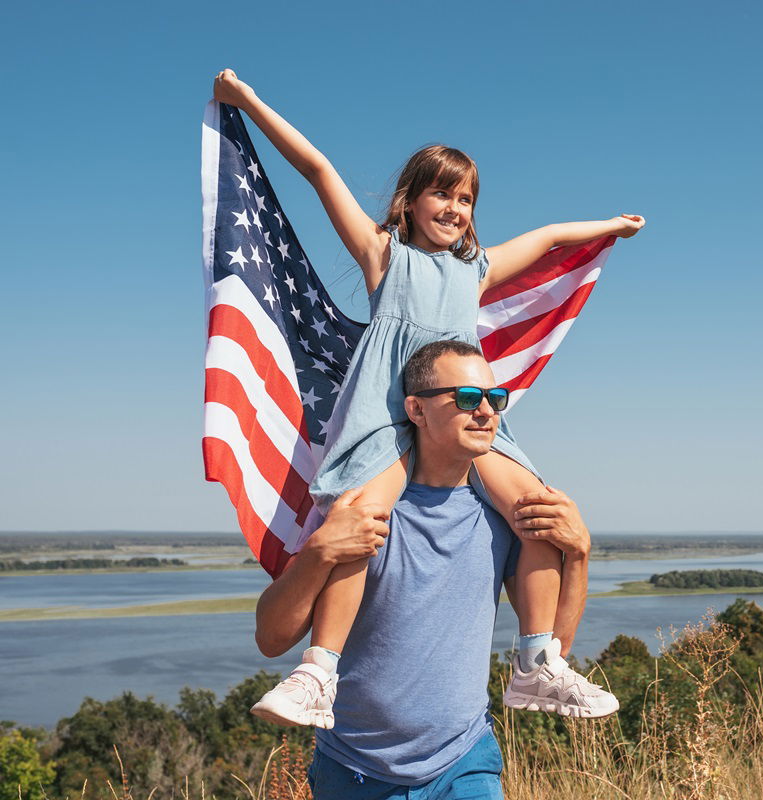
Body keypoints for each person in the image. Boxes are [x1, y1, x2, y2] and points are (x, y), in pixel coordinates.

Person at [211, 68, 642, 726]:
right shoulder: (384, 256)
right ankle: (317, 672)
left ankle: (534, 662)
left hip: (460, 405)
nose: (454, 209)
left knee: (538, 510)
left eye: (465, 198)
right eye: (441, 194)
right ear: (409, 201)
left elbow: (553, 236)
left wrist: (611, 224)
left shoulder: (477, 269)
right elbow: (318, 167)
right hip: (388, 411)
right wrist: (247, 102)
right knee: (358, 523)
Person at [255, 340, 608, 796]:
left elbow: (551, 650)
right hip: (355, 769)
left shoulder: (505, 517)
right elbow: (271, 638)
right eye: (465, 398)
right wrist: (321, 550)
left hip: (465, 761)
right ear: (416, 411)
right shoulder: (363, 509)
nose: (484, 411)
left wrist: (579, 554)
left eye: (493, 399)